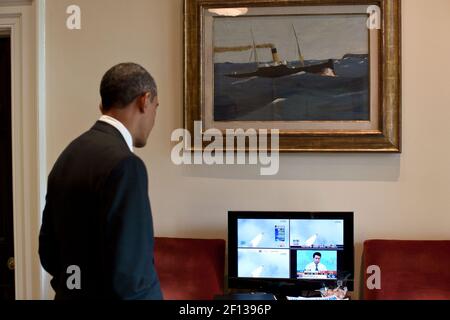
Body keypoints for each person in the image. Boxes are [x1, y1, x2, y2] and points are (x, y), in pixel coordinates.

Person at [39, 63, 163, 300]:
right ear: (144, 100)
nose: (154, 119)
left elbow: (49, 252)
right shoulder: (127, 165)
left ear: (102, 105)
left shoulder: (68, 155)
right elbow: (132, 278)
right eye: (156, 108)